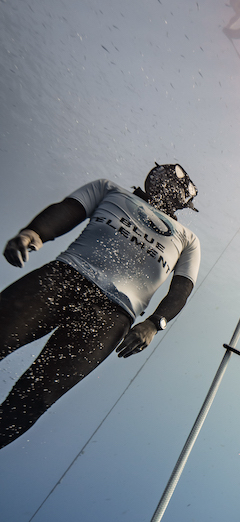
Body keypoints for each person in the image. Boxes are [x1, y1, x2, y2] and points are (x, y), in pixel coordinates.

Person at [0, 163, 201, 448]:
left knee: (36, 396)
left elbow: (182, 288)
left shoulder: (188, 238)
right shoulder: (109, 189)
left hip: (113, 314)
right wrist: (34, 233)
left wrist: (155, 323)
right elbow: (69, 209)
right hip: (64, 277)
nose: (172, 182)